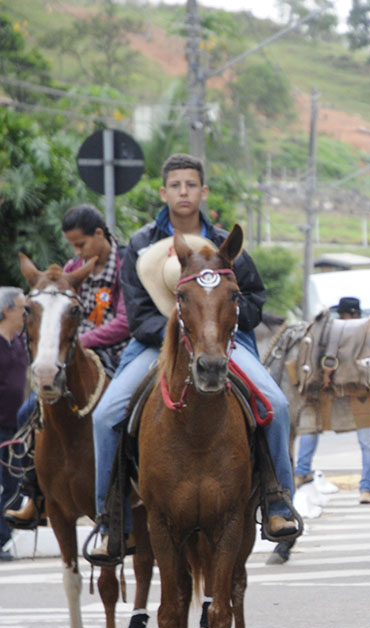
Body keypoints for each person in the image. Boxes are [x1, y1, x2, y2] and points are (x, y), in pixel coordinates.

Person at [91, 153, 300, 556]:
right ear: (163, 192)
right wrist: (182, 336)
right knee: (104, 416)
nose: (183, 192)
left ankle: (278, 504)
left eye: (190, 185)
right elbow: (138, 314)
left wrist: (219, 324)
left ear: (203, 191)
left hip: (223, 343)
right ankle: (110, 520)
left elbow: (254, 299)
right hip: (155, 345)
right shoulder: (140, 244)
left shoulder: (226, 244)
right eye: (175, 185)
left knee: (276, 404)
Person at [5, 205, 131, 530]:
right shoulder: (73, 270)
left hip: (118, 356)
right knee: (27, 412)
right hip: (74, 358)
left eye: (81, 244)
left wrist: (84, 342)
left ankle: (136, 487)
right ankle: (35, 496)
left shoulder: (125, 264)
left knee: (129, 412)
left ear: (100, 234)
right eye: (72, 246)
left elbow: (124, 321)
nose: (76, 252)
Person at [292, 297, 370, 505]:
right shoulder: (357, 332)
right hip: (345, 390)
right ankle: (303, 473)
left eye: (343, 314)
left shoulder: (359, 333)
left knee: (313, 429)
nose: (340, 318)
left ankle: (365, 488)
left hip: (354, 390)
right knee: (311, 428)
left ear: (353, 314)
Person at [0, 288, 29, 560]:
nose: (25, 314)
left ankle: (2, 538)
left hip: (17, 428)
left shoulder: (20, 342)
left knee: (16, 484)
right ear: (6, 310)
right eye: (22, 309)